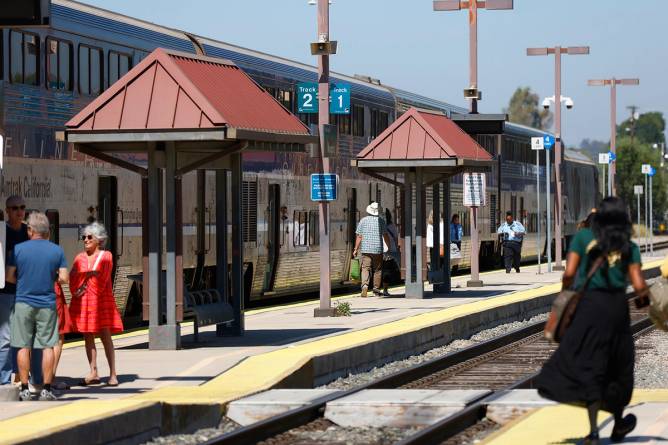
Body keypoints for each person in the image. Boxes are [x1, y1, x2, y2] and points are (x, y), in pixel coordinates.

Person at [536, 197, 648, 445]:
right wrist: (646, 303)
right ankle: (618, 424)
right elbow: (639, 285)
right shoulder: (629, 245)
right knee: (617, 366)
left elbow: (569, 273)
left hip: (589, 307)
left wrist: (567, 292)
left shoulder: (583, 238)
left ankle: (594, 432)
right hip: (617, 310)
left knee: (591, 364)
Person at [6, 212, 69, 401]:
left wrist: (24, 281)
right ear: (47, 232)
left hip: (23, 303)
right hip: (47, 304)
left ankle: (25, 388)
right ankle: (46, 389)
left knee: (23, 345)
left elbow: (9, 276)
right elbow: (64, 278)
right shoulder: (56, 251)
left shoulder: (18, 250)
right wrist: (51, 278)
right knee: (48, 346)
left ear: (30, 230)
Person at [68, 222, 124, 386]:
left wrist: (84, 276)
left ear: (99, 239)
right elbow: (72, 277)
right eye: (84, 237)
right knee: (88, 336)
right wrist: (89, 274)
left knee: (105, 335)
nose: (85, 240)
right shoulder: (79, 257)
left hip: (100, 301)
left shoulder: (106, 256)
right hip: (84, 301)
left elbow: (102, 278)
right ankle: (94, 371)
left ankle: (113, 373)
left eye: (89, 237)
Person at [0, 196, 44, 391]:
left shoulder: (28, 232)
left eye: (22, 207)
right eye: (15, 208)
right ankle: (3, 379)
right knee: (6, 337)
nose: (20, 211)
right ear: (7, 210)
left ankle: (25, 375)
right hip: (6, 292)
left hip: (26, 293)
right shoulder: (3, 231)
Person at [353, 203, 390, 298]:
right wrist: (388, 247)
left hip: (366, 249)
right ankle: (376, 289)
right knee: (377, 269)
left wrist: (356, 249)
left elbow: (359, 236)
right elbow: (385, 235)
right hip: (378, 249)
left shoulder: (363, 220)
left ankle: (365, 286)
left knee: (365, 268)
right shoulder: (381, 221)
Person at [381, 209, 400, 296]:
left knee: (379, 270)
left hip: (379, 250)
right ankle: (385, 289)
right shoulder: (392, 226)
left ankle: (376, 288)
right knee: (387, 271)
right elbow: (396, 238)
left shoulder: (379, 225)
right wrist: (396, 248)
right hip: (391, 250)